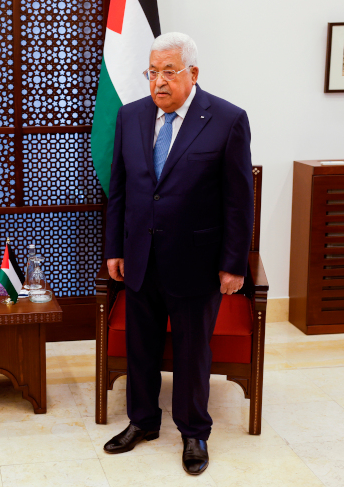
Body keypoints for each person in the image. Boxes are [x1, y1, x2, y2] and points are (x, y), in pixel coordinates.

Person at [102, 32, 253, 475]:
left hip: (197, 260)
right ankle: (143, 422)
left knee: (191, 352)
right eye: (152, 72)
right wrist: (114, 247)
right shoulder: (131, 117)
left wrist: (232, 263)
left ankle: (194, 432)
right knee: (141, 347)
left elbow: (238, 200)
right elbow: (120, 190)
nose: (158, 82)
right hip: (140, 256)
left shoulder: (227, 119)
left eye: (169, 72)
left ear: (193, 73)